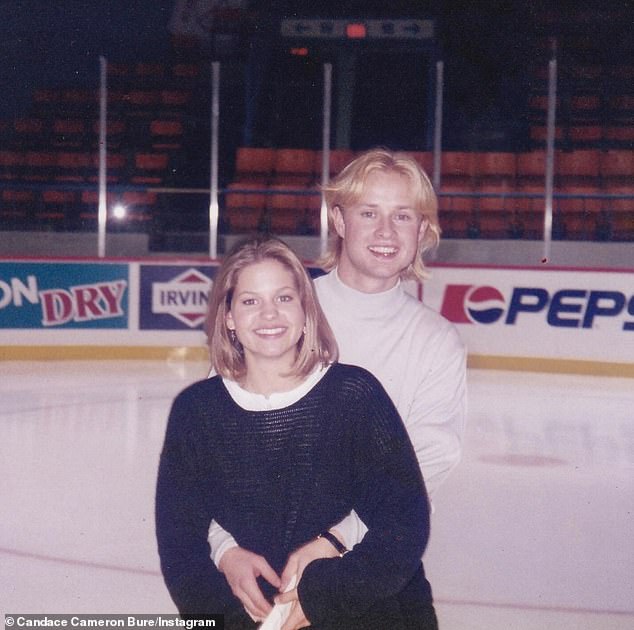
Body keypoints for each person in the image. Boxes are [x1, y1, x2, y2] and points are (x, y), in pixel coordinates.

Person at [209, 148, 467, 619]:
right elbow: (209, 449)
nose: (385, 232)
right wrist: (225, 549)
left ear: (423, 232)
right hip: (260, 565)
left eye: (403, 216)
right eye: (369, 212)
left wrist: (335, 540)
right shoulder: (279, 310)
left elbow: (424, 465)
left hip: (374, 567)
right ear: (340, 220)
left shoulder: (436, 341)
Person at [156, 236, 438, 629]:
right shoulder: (196, 411)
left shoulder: (354, 395)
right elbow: (179, 547)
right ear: (229, 317)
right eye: (251, 301)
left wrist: (321, 598)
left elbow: (404, 526)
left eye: (284, 298)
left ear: (306, 311)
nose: (269, 314)